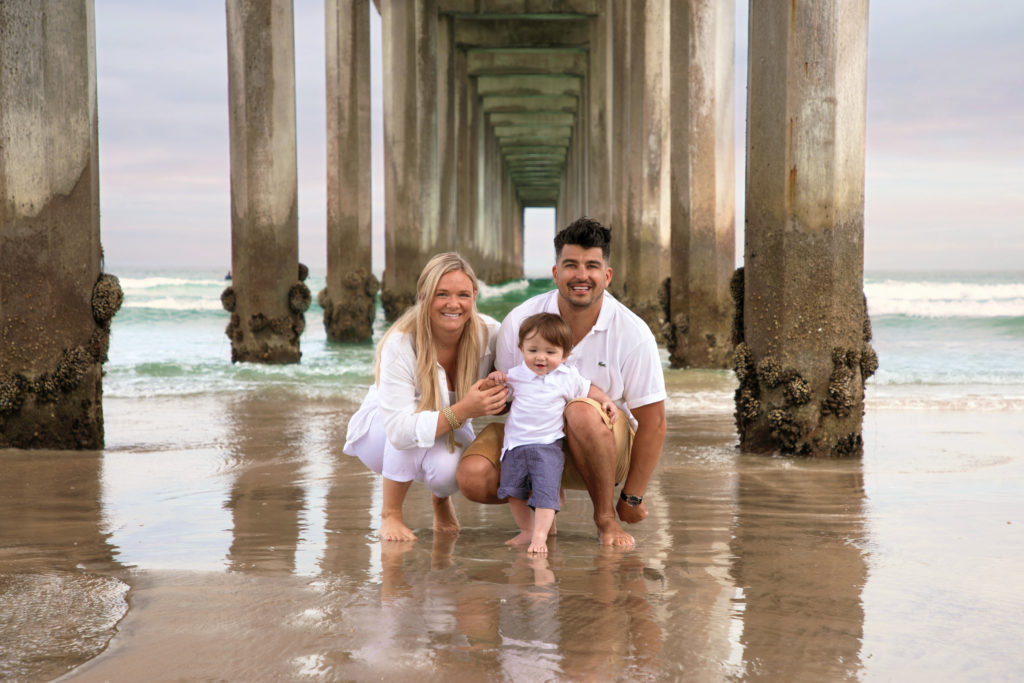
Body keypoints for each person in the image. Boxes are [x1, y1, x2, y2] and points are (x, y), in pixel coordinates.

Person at [457, 217, 667, 547]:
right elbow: (510, 398)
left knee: (581, 411)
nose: (581, 275)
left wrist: (632, 496)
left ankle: (604, 519)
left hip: (604, 447)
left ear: (607, 276)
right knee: (472, 477)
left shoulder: (633, 333)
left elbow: (653, 423)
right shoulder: (521, 321)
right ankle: (543, 502)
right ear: (555, 273)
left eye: (592, 266)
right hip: (534, 441)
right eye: (571, 265)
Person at [343, 253, 508, 542]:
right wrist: (465, 409)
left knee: (450, 472)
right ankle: (390, 514)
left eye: (462, 295)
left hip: (448, 424)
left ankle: (440, 500)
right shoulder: (401, 342)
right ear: (423, 296)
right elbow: (400, 431)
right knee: (412, 430)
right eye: (441, 294)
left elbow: (530, 369)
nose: (453, 304)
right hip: (381, 433)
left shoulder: (490, 334)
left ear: (475, 296)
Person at [486, 312, 617, 554]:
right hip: (514, 445)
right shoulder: (516, 375)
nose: (540, 358)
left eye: (550, 352)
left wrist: (606, 401)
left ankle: (540, 535)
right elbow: (497, 388)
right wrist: (495, 378)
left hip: (548, 446)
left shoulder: (567, 378)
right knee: (513, 492)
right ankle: (526, 529)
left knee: (546, 492)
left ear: (565, 355)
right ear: (521, 349)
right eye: (532, 350)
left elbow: (589, 389)